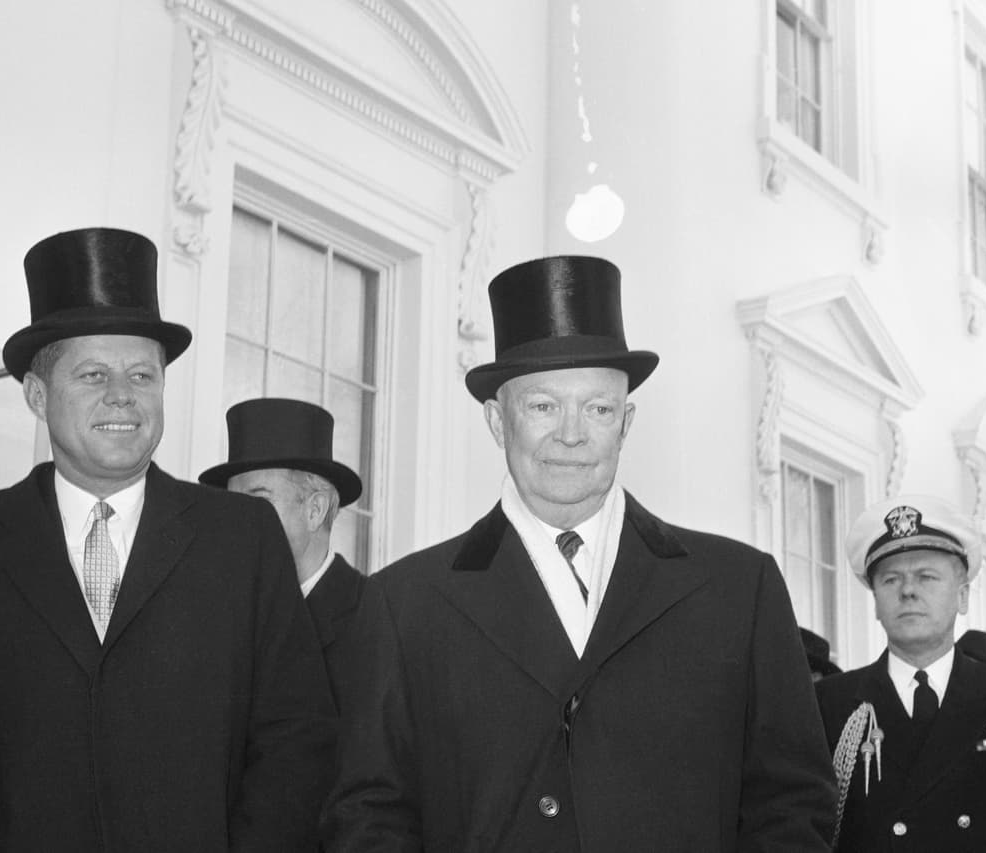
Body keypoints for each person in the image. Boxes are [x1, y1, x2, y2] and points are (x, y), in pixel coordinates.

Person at [323, 255, 837, 851]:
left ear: (626, 422)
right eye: (543, 406)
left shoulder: (739, 589)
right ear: (497, 421)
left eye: (598, 408)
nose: (571, 434)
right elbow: (368, 815)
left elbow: (793, 805)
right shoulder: (404, 603)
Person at [0, 228, 336, 851]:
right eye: (92, 374)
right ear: (37, 395)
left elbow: (296, 742)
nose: (122, 395)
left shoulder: (242, 540)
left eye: (143, 373)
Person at [817, 494, 986, 850]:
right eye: (891, 580)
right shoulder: (829, 705)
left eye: (926, 577)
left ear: (963, 596)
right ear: (875, 602)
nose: (907, 591)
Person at [200, 397, 365, 712]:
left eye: (257, 503)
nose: (238, 523)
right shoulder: (216, 619)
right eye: (232, 506)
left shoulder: (375, 621)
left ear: (315, 510)